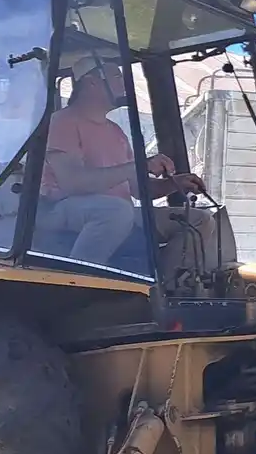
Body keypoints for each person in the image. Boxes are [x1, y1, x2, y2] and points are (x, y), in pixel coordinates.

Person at [38, 54, 219, 284]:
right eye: (116, 76)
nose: (123, 83)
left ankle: (163, 288)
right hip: (61, 210)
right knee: (115, 211)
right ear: (91, 82)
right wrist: (139, 165)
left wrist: (175, 183)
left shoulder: (115, 132)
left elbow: (138, 190)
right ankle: (79, 283)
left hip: (118, 211)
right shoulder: (62, 122)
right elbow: (74, 183)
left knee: (201, 219)